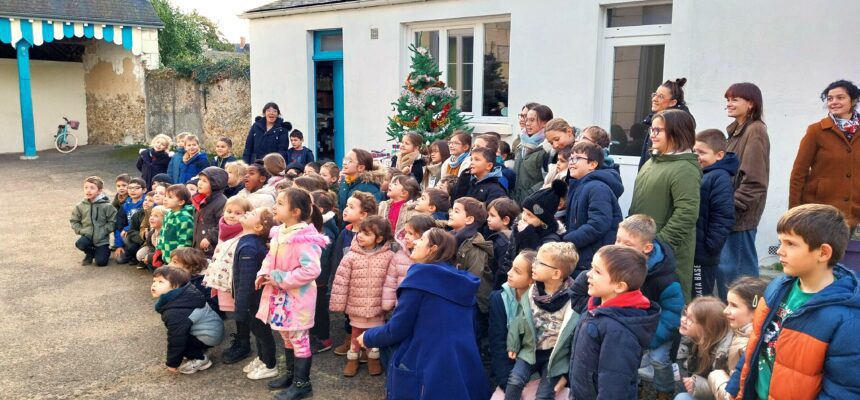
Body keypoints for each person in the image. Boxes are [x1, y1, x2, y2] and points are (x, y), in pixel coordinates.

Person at [730, 204, 860, 399]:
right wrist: (736, 388)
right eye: (780, 242)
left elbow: (843, 391)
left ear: (823, 253)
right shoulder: (777, 287)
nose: (780, 251)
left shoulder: (848, 319)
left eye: (790, 243)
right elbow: (756, 343)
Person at [358, 228, 491, 400]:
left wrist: (368, 337)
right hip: (462, 363)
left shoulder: (420, 280)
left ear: (433, 248)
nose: (414, 242)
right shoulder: (462, 283)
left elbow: (397, 329)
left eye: (421, 240)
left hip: (426, 366)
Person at [256, 188, 329, 400]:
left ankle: (302, 383)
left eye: (279, 203)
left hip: (297, 299)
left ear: (295, 211)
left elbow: (311, 270)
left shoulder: (304, 238)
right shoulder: (281, 232)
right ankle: (291, 375)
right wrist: (264, 272)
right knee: (286, 334)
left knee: (298, 337)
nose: (274, 207)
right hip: (280, 297)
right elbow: (270, 257)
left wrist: (281, 279)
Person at [568, 245, 660, 399]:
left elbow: (614, 386)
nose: (588, 275)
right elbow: (576, 295)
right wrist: (595, 269)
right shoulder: (596, 304)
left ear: (619, 286)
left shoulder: (618, 331)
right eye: (591, 268)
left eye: (597, 271)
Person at [630, 108, 701, 301]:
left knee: (666, 308)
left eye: (658, 130)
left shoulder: (685, 169)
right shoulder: (651, 163)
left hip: (666, 255)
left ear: (677, 132)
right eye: (652, 130)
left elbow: (686, 213)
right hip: (641, 247)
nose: (652, 135)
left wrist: (659, 244)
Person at [610, 215, 684, 400]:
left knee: (659, 360)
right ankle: (636, 385)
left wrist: (653, 337)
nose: (619, 246)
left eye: (627, 244)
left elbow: (673, 312)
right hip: (632, 325)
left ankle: (665, 389)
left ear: (647, 248)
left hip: (659, 330)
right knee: (627, 359)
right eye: (618, 239)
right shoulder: (618, 266)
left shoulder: (665, 278)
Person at [505, 242, 579, 400]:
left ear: (556, 274)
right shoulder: (533, 290)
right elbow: (519, 317)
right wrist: (513, 343)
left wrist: (568, 368)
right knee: (514, 381)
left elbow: (574, 335)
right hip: (530, 349)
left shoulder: (571, 300)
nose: (534, 265)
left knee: (544, 394)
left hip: (555, 356)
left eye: (540, 262)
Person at [330, 216, 396, 377]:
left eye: (366, 234)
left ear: (379, 238)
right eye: (360, 232)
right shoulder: (351, 256)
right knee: (356, 333)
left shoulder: (388, 257)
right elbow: (341, 282)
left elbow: (392, 281)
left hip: (377, 305)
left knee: (375, 334)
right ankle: (353, 358)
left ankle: (373, 357)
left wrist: (390, 303)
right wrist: (338, 304)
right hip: (355, 305)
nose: (360, 236)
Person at [790, 79, 860, 228]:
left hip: (854, 213)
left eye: (840, 97)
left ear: (853, 101)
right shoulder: (816, 131)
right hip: (820, 212)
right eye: (830, 98)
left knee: (845, 252)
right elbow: (798, 173)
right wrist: (794, 212)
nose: (833, 102)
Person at [721, 82, 770, 282]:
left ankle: (752, 313)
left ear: (751, 104)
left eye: (735, 99)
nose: (729, 104)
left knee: (741, 277)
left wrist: (730, 206)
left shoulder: (755, 131)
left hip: (740, 217)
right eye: (727, 100)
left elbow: (755, 180)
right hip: (730, 215)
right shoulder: (737, 131)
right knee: (728, 272)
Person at [201, 196, 253, 364]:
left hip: (236, 280)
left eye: (238, 213)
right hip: (224, 278)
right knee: (233, 311)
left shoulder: (245, 233)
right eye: (229, 211)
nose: (231, 215)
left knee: (241, 311)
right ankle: (240, 338)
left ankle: (244, 343)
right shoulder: (224, 228)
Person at [563, 141, 623, 277]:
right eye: (570, 158)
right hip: (582, 254)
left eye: (577, 158)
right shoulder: (578, 186)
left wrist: (567, 240)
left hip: (592, 258)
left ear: (592, 164)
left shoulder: (597, 188)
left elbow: (598, 224)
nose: (571, 162)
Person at [328, 190, 377, 356]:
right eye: (346, 206)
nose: (345, 210)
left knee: (369, 316)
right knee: (349, 315)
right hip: (348, 283)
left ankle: (368, 345)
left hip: (368, 284)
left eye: (351, 207)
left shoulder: (373, 236)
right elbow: (336, 259)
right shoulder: (345, 232)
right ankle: (350, 341)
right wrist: (335, 280)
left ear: (363, 214)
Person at [151, 265, 224, 374]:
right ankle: (197, 349)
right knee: (181, 338)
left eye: (161, 282)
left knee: (180, 341)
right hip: (212, 329)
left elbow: (176, 339)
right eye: (154, 281)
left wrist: (172, 364)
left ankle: (201, 359)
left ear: (176, 286)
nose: (154, 284)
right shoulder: (185, 293)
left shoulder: (177, 311)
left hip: (209, 335)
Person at [233, 207, 279, 381]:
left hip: (255, 299)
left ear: (259, 227)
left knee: (261, 331)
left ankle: (270, 364)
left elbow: (247, 280)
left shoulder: (250, 246)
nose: (246, 213)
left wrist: (240, 307)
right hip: (251, 299)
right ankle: (262, 358)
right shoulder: (247, 241)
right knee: (257, 330)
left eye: (252, 214)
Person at [693, 129, 738, 299]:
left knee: (700, 297)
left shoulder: (719, 177)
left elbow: (723, 216)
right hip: (697, 250)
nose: (697, 156)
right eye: (695, 151)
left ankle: (705, 325)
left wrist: (710, 247)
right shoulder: (703, 173)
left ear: (719, 155)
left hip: (704, 254)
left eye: (702, 152)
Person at [707, 277, 767, 400]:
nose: (725, 311)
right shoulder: (737, 330)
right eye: (727, 303)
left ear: (756, 311)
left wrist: (715, 377)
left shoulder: (748, 348)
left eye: (733, 305)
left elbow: (734, 395)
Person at [489, 250, 536, 391]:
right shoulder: (499, 299)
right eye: (511, 267)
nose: (509, 273)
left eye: (517, 271)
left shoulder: (541, 302)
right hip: (509, 373)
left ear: (532, 279)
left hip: (535, 371)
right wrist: (505, 383)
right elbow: (498, 342)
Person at [501, 181, 566, 274]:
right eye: (524, 212)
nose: (524, 217)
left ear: (543, 220)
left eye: (530, 215)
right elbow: (508, 259)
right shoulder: (519, 228)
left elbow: (537, 267)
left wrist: (528, 238)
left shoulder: (551, 241)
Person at [674, 297, 730, 400]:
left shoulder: (724, 356)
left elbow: (726, 393)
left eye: (690, 319)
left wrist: (699, 385)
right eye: (685, 314)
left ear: (707, 328)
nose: (683, 319)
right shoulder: (697, 340)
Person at [449, 197, 494, 318]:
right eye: (452, 210)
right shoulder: (452, 237)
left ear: (469, 219)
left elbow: (473, 279)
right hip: (455, 296)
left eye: (456, 211)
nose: (451, 214)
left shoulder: (475, 246)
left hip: (473, 303)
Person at [382, 215, 436, 310]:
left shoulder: (432, 260)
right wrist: (388, 305)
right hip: (399, 307)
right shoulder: (399, 256)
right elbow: (390, 283)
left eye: (410, 234)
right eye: (406, 232)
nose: (406, 237)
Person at [639, 78, 693, 170]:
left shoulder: (678, 125)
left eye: (660, 96)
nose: (654, 99)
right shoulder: (657, 120)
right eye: (655, 95)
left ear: (673, 102)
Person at [310, 190, 339, 354]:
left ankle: (323, 338)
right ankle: (315, 334)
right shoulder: (319, 226)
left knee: (319, 308)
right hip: (315, 276)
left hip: (319, 278)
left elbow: (321, 257)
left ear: (319, 210)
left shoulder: (325, 230)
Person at [71, 176, 117, 267]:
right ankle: (90, 253)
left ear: (99, 191)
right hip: (87, 236)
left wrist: (104, 231)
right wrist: (80, 230)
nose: (88, 190)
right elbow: (74, 220)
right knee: (80, 243)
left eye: (92, 188)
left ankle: (104, 251)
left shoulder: (107, 206)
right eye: (86, 187)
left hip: (101, 239)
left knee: (101, 263)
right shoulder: (80, 206)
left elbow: (113, 221)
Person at [512, 105, 553, 203]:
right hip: (516, 200)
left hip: (534, 202)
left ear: (544, 123)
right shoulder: (521, 144)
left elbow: (548, 179)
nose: (527, 124)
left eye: (532, 120)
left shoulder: (548, 148)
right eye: (527, 120)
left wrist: (531, 193)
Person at [169, 247, 219, 316]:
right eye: (170, 261)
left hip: (207, 317)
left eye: (174, 262)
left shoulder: (204, 282)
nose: (169, 265)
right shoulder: (182, 277)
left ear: (188, 265)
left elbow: (213, 306)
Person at [192, 167, 228, 258]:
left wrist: (210, 237)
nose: (199, 183)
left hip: (210, 249)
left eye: (205, 181)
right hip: (198, 245)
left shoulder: (221, 202)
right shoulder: (200, 199)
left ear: (215, 184)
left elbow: (223, 223)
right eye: (200, 179)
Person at [487, 198, 521, 288]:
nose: (488, 219)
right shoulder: (503, 236)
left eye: (492, 216)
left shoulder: (503, 242)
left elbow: (502, 270)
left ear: (505, 220)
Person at [157, 184, 195, 264]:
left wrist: (178, 257)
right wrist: (159, 248)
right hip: (166, 254)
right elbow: (162, 233)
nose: (165, 199)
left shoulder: (183, 218)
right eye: (165, 196)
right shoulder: (168, 214)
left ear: (181, 202)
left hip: (176, 260)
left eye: (170, 197)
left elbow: (184, 241)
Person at [114, 177, 147, 264]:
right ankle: (132, 253)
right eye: (130, 188)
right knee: (119, 260)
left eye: (136, 188)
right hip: (130, 235)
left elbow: (144, 220)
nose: (133, 190)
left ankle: (137, 256)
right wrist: (119, 245)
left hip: (142, 234)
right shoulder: (125, 206)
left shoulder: (147, 203)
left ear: (144, 190)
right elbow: (119, 226)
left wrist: (128, 228)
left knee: (132, 242)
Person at [543, 117, 577, 188]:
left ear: (569, 132)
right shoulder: (551, 156)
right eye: (551, 143)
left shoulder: (584, 154)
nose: (555, 145)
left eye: (557, 139)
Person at [137, 205, 166, 270]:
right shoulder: (152, 232)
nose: (151, 218)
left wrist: (151, 257)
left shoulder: (166, 232)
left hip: (164, 255)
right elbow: (150, 246)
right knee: (142, 255)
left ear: (165, 219)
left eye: (156, 216)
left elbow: (165, 251)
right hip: (156, 252)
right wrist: (150, 255)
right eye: (151, 215)